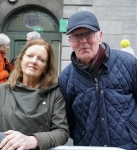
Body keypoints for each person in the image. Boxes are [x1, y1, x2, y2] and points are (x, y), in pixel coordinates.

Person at [58, 11, 137, 150]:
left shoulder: (128, 63)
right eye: (76, 36)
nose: (83, 41)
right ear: (70, 42)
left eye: (89, 34)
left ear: (100, 36)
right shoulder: (65, 78)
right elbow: (68, 121)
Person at [0, 39, 69, 150]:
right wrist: (9, 143)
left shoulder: (54, 93)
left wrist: (33, 140)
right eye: (30, 56)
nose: (34, 61)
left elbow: (61, 132)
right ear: (21, 60)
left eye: (41, 59)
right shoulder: (1, 91)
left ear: (45, 68)